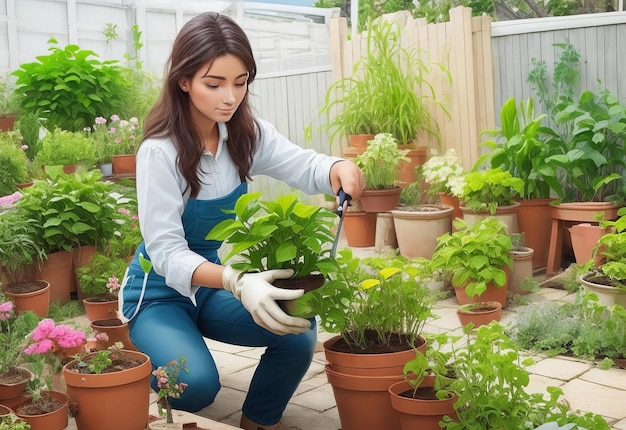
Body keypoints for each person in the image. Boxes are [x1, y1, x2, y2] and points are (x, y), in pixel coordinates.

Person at [117, 11, 364, 430]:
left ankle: (257, 420)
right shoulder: (160, 152)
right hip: (158, 296)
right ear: (184, 81)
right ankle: (150, 364)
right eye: (214, 84)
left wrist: (336, 167)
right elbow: (165, 251)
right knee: (195, 384)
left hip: (211, 287)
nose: (229, 97)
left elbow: (303, 164)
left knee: (296, 328)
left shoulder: (245, 134)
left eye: (240, 81)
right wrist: (236, 280)